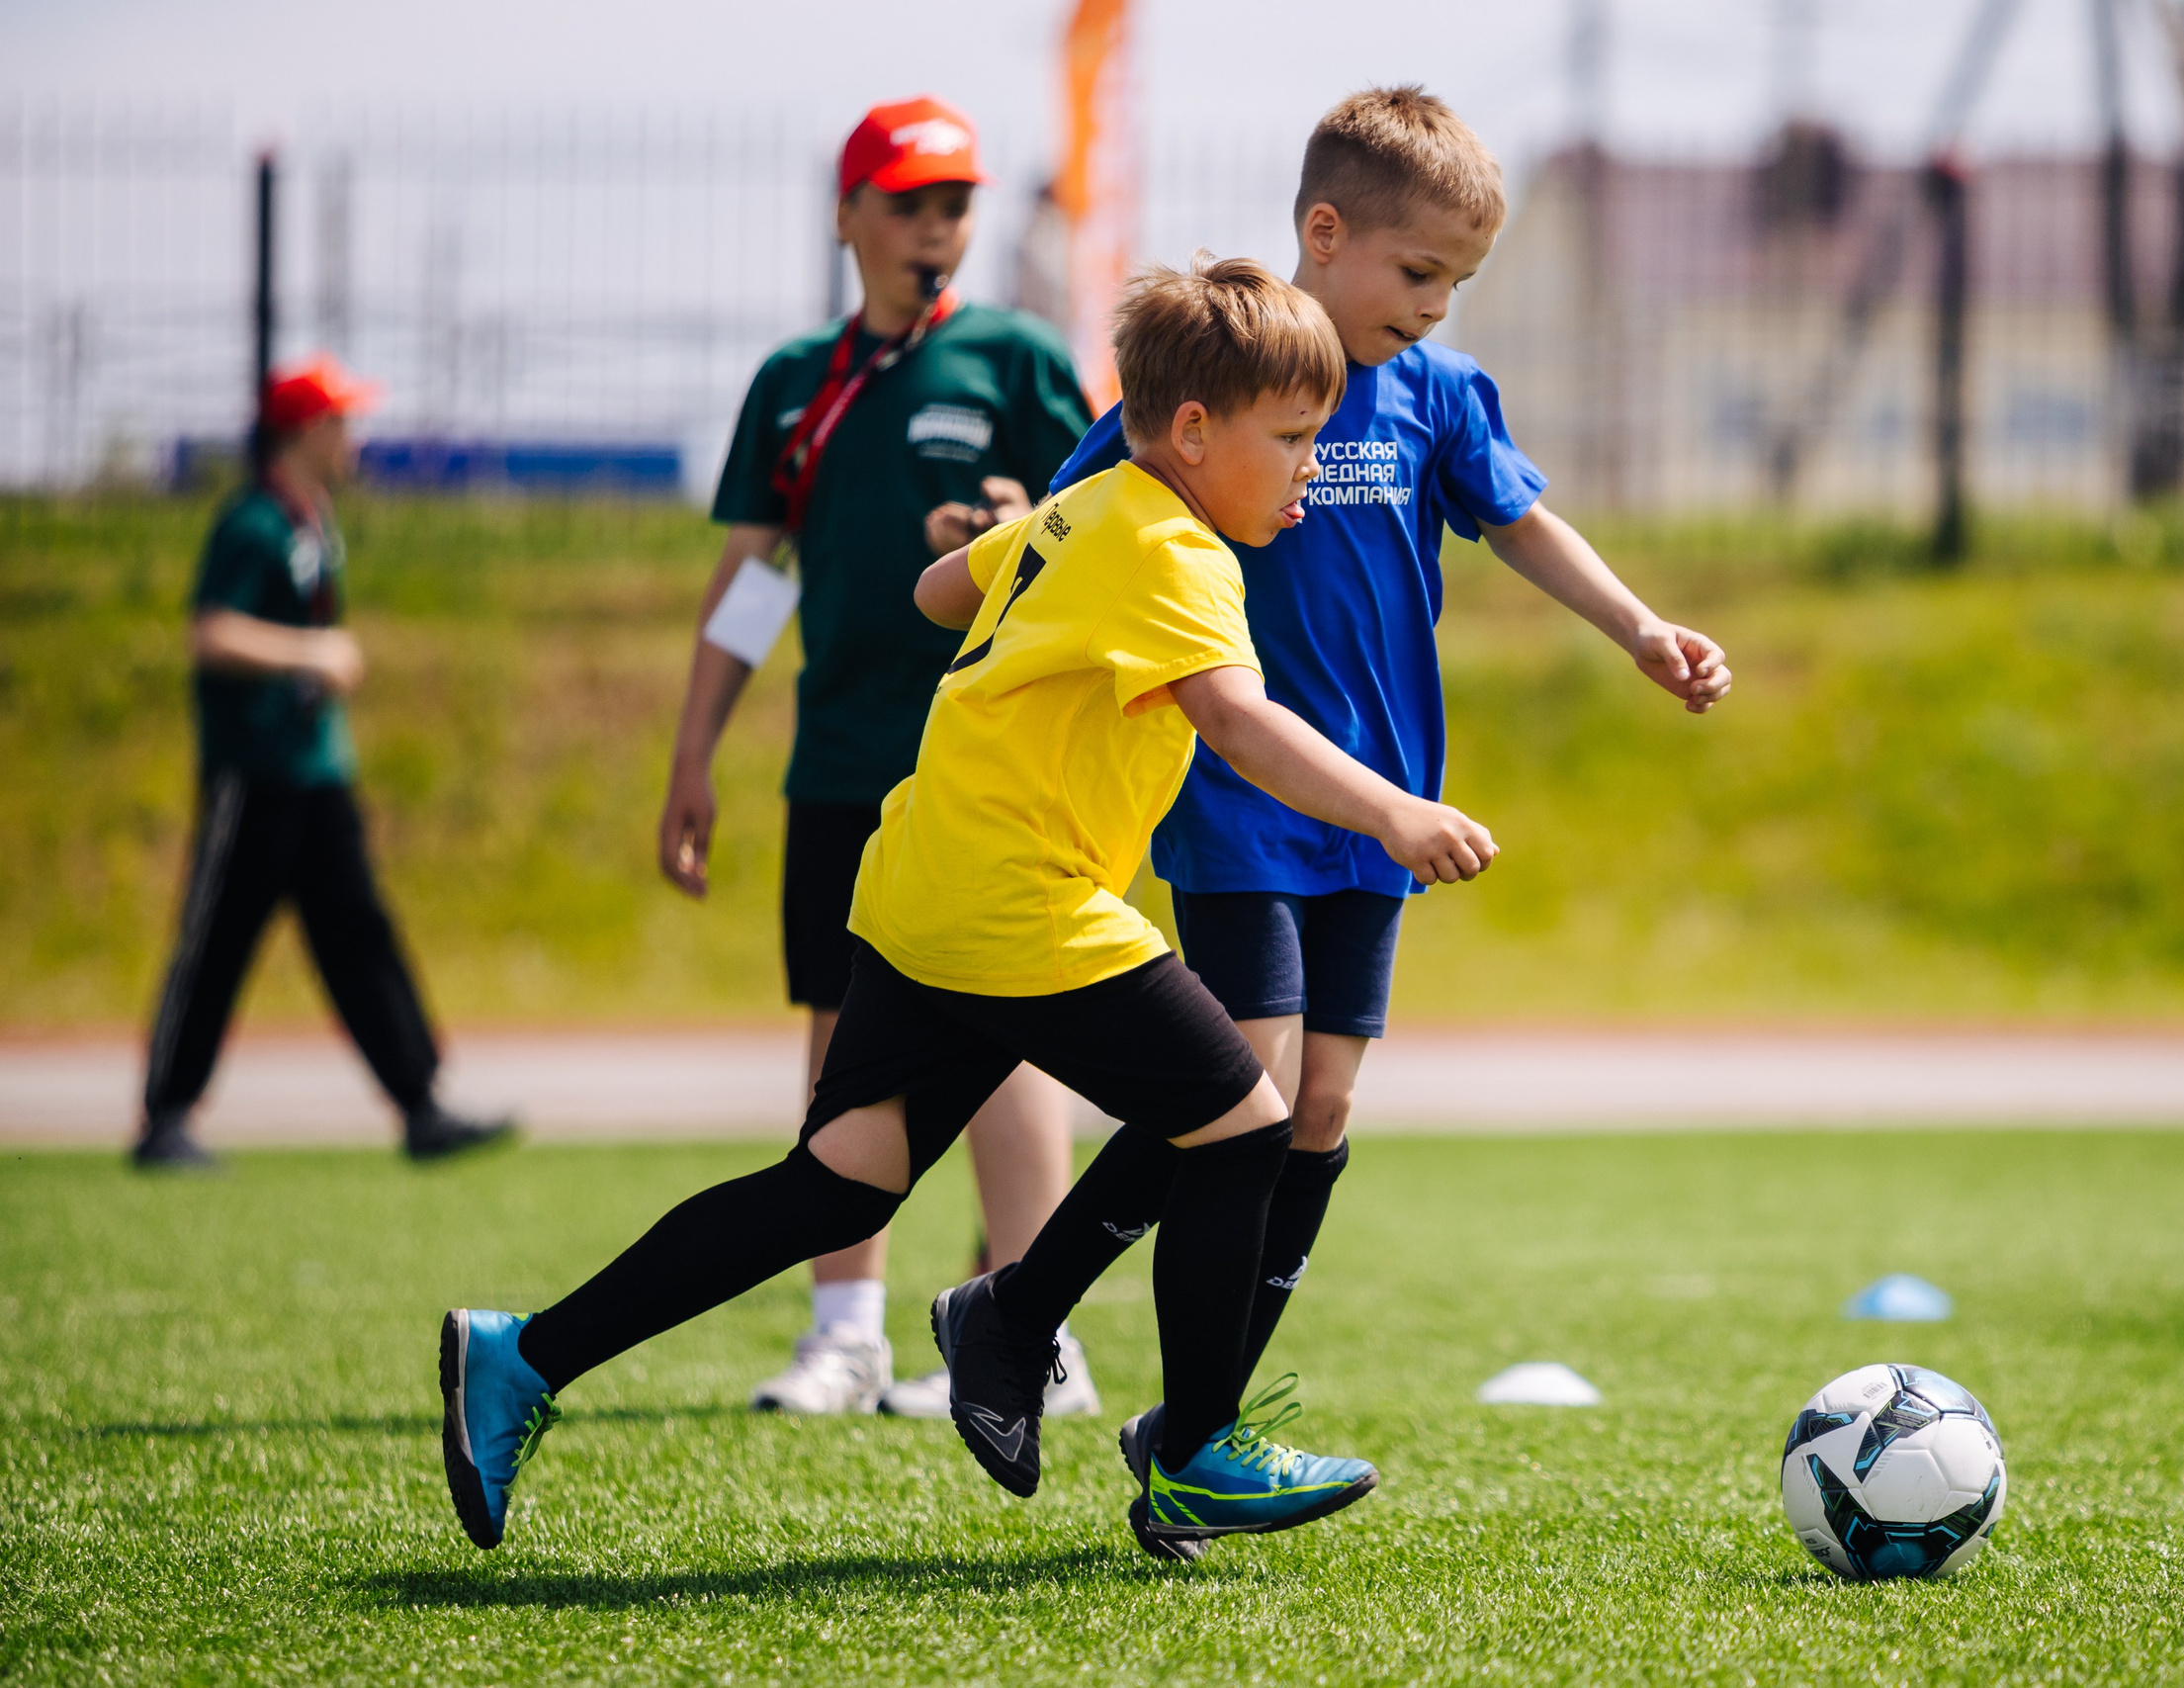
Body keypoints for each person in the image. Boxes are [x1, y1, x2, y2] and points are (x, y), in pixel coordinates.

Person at [438, 255, 1497, 1557]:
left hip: (919, 886)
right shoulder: (1176, 548)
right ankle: (1191, 1442)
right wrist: (1393, 812)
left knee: (840, 1183)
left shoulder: (1087, 506)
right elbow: (1238, 720)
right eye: (1290, 439)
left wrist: (997, 546)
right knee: (1242, 1124)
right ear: (1194, 431)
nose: (1307, 468)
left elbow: (942, 596)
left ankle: (526, 1353)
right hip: (1018, 902)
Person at [1018, 86, 1733, 1558]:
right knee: (1248, 1091)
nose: (1434, 306)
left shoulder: (1440, 394)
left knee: (1319, 1113)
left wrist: (1639, 626)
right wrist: (991, 557)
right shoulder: (1230, 370)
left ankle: (1171, 1419)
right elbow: (1075, 514)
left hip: (1380, 809)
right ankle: (1099, 1362)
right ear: (1324, 236)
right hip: (1237, 794)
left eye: (1457, 284)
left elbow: (1520, 516)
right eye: (1419, 275)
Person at [658, 96, 1098, 1418]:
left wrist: (1021, 517)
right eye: (908, 203)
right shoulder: (796, 385)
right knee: (844, 1045)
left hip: (987, 770)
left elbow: (1102, 519)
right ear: (848, 214)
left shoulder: (1017, 360)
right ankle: (844, 1331)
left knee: (1013, 1031)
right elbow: (752, 582)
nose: (936, 229)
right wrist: (694, 757)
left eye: (956, 203)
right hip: (840, 764)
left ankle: (1039, 1334)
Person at [132, 356, 516, 1170]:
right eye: (342, 422)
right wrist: (311, 653)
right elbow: (213, 633)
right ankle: (166, 1112)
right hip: (257, 772)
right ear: (304, 430)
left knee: (359, 934)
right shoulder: (253, 525)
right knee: (218, 939)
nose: (354, 438)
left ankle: (421, 1103)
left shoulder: (316, 519)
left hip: (318, 774)